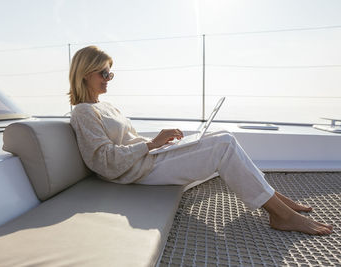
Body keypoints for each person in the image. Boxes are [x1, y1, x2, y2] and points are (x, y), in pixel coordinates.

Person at [69, 45, 333, 235]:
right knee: (223, 146)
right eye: (103, 73)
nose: (108, 79)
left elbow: (129, 141)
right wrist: (151, 145)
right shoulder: (83, 112)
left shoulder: (107, 106)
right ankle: (280, 214)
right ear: (85, 73)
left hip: (147, 160)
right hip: (136, 172)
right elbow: (103, 161)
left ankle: (274, 196)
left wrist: (160, 142)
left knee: (225, 136)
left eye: (110, 74)